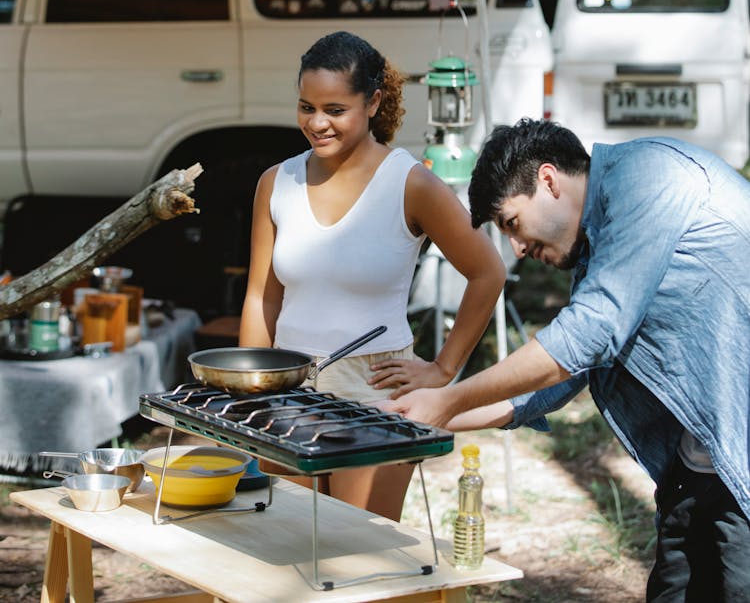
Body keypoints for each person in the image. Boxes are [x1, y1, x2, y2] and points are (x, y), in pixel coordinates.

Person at [384, 118, 750, 601]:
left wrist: (449, 398)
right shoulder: (602, 242)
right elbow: (555, 382)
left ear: (549, 180)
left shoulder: (651, 178)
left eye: (512, 224)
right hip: (700, 462)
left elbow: (589, 334)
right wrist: (428, 418)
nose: (516, 247)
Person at [238, 30, 505, 521]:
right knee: (287, 547)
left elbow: (487, 271)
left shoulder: (410, 183)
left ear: (374, 102)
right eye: (306, 106)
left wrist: (444, 368)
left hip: (375, 391)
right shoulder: (276, 182)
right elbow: (261, 299)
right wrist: (252, 391)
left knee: (359, 557)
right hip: (287, 387)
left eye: (335, 109)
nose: (317, 123)